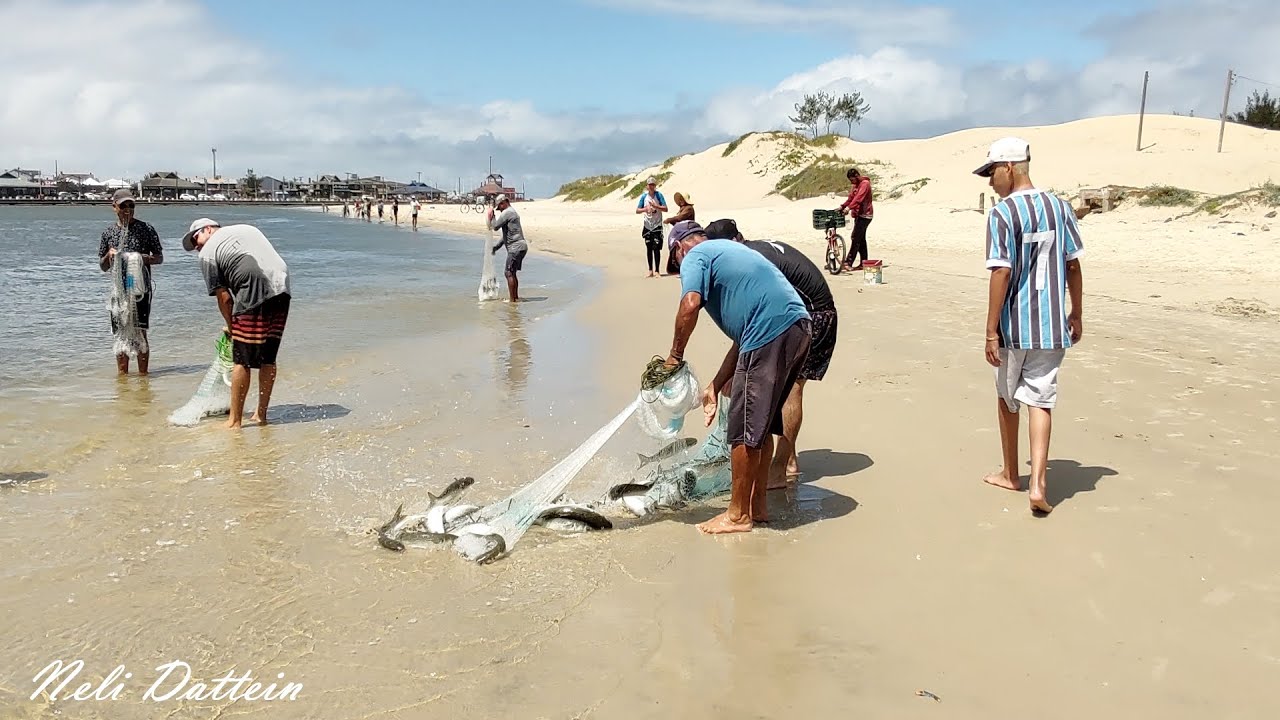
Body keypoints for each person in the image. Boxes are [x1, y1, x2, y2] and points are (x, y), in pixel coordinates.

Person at [664, 221, 811, 535]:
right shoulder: (731, 252)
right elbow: (743, 340)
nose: (680, 270)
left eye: (676, 264)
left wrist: (675, 355)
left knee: (744, 427)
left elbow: (689, 305)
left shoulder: (696, 255)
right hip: (799, 327)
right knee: (763, 425)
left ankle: (737, 515)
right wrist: (715, 386)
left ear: (679, 249)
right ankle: (757, 508)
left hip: (770, 330)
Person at [973, 137, 1084, 515]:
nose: (990, 182)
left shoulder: (1002, 214)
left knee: (1008, 398)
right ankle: (1039, 482)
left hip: (1013, 327)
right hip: (1052, 326)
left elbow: (1000, 271)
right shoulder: (1060, 207)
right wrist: (1077, 312)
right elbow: (1072, 264)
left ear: (1008, 168)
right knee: (1041, 398)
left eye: (992, 173)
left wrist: (990, 330)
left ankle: (1010, 472)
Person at [705, 219, 837, 489]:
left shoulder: (751, 260)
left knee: (791, 389)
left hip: (814, 316)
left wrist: (726, 376)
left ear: (733, 242)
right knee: (772, 386)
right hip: (805, 312)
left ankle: (781, 466)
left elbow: (757, 322)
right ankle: (789, 459)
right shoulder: (753, 250)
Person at [182, 218, 292, 429]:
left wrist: (233, 328)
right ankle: (261, 415)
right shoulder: (246, 228)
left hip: (254, 285)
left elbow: (224, 298)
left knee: (241, 359)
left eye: (196, 240)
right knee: (268, 357)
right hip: (282, 284)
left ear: (208, 229)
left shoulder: (208, 253)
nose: (197, 248)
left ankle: (234, 421)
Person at [97, 188, 164, 375]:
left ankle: (144, 377)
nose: (128, 209)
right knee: (120, 333)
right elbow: (102, 266)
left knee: (140, 331)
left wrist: (138, 257)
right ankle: (123, 378)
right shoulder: (108, 233)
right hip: (119, 291)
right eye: (123, 206)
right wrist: (108, 256)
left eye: (131, 205)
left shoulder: (146, 229)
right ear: (114, 207)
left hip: (140, 288)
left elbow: (159, 257)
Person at [487, 194, 528, 302]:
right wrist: (496, 247)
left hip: (516, 247)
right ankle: (515, 298)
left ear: (504, 203)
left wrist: (492, 216)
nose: (499, 210)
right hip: (521, 247)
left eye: (499, 207)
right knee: (512, 273)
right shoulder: (512, 212)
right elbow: (505, 236)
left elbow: (495, 226)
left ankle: (512, 300)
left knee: (508, 273)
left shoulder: (508, 212)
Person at [837, 167, 873, 272]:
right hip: (858, 215)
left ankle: (848, 262)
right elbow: (851, 198)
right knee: (861, 239)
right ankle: (864, 262)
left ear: (857, 176)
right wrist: (843, 206)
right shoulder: (855, 185)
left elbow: (859, 198)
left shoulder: (865, 184)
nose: (852, 182)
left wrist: (849, 208)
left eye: (852, 180)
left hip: (866, 215)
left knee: (855, 238)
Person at [635, 177, 668, 277]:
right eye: (650, 185)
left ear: (655, 185)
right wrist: (646, 209)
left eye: (653, 184)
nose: (651, 186)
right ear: (647, 186)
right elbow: (637, 210)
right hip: (647, 225)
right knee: (649, 248)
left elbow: (666, 208)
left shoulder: (659, 195)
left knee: (656, 248)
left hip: (657, 225)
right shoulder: (644, 197)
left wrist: (656, 207)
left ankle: (657, 271)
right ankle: (650, 271)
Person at [661, 192, 694, 275]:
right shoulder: (683, 209)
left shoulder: (689, 208)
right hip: (683, 227)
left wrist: (669, 219)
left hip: (687, 227)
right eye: (680, 199)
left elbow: (680, 218)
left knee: (673, 240)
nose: (680, 201)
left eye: (682, 199)